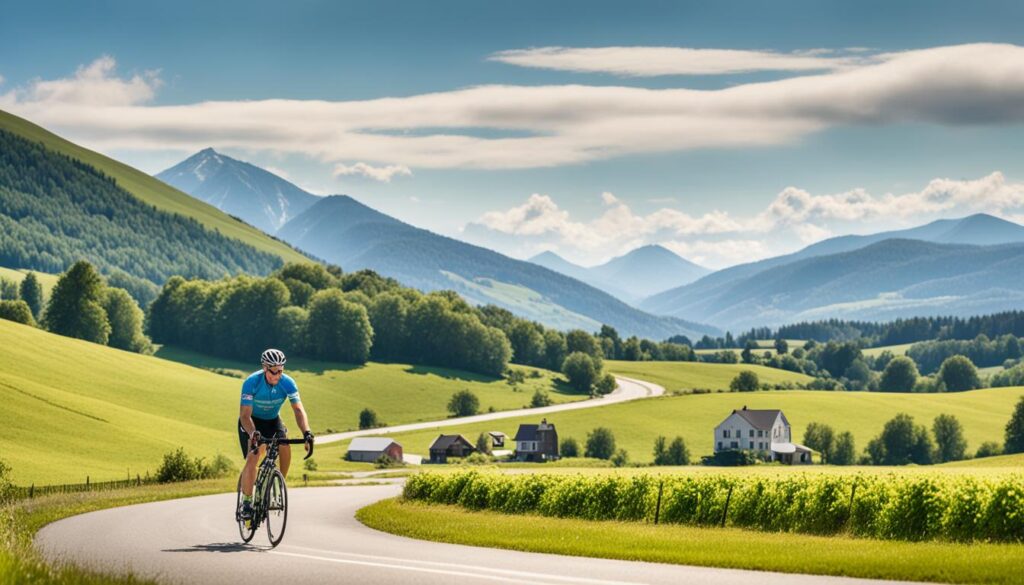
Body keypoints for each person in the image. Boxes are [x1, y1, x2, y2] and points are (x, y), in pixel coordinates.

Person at [238, 348, 313, 521]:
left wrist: (307, 432)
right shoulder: (251, 383)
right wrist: (253, 433)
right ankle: (247, 503)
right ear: (265, 368)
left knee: (284, 443)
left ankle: (278, 484)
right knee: (254, 456)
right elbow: (244, 415)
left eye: (281, 370)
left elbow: (298, 410)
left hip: (273, 420)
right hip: (252, 422)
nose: (277, 375)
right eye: (274, 371)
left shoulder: (288, 383)